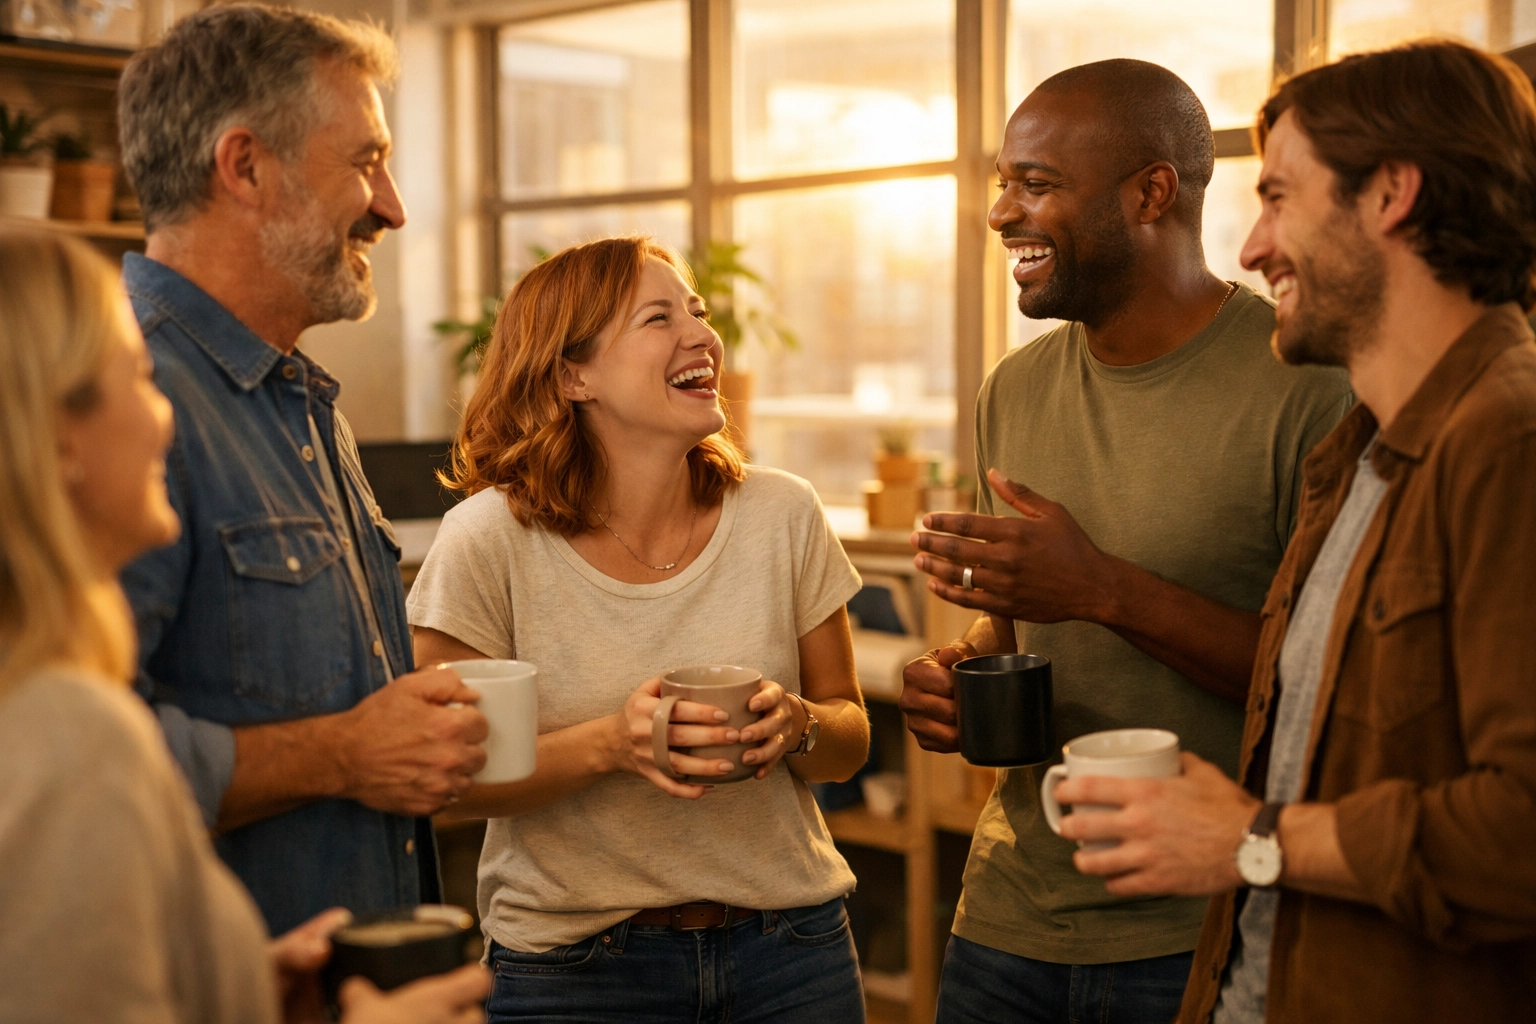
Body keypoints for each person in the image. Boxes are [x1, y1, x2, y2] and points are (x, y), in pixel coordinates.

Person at [1054, 41, 1536, 1024]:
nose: (1251, 247)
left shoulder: (1508, 442)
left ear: (1391, 194)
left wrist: (1252, 838)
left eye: (1278, 198)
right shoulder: (1359, 451)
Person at [898, 60, 1353, 1023]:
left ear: (1152, 194)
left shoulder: (1308, 387)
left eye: (1037, 184)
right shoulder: (1012, 389)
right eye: (1003, 183)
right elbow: (1016, 626)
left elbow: (1333, 688)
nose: (1001, 214)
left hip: (1203, 926)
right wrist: (961, 668)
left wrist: (1103, 590)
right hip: (1008, 915)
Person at [0, 228, 491, 1024]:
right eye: (138, 378)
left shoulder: (311, 412)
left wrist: (243, 994)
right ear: (58, 440)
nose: (168, 417)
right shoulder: (70, 732)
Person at [406, 236, 870, 1023]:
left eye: (697, 311)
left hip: (791, 952)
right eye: (659, 318)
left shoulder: (784, 513)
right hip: (573, 973)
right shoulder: (486, 541)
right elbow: (450, 783)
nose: (702, 335)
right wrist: (613, 745)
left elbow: (849, 737)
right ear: (572, 376)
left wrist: (798, 727)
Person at [114, 2, 487, 934]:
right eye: (366, 162)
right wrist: (343, 755)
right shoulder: (117, 399)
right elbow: (54, 754)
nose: (394, 208)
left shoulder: (302, 402)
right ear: (245, 166)